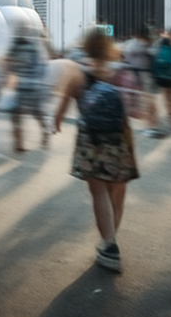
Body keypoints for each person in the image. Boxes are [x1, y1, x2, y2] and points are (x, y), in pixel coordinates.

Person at [52, 27, 139, 273]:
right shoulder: (119, 69)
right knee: (118, 188)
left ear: (86, 46)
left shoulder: (77, 71)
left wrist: (56, 121)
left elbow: (63, 105)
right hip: (121, 137)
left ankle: (109, 245)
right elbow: (134, 107)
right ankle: (110, 241)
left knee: (99, 191)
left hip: (91, 141)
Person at [6, 28, 50, 151]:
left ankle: (20, 143)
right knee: (35, 113)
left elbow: (10, 66)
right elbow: (42, 67)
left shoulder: (20, 47)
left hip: (27, 86)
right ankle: (42, 134)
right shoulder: (31, 47)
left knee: (19, 114)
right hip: (32, 86)